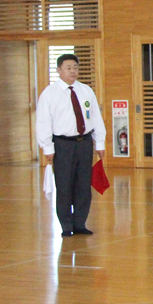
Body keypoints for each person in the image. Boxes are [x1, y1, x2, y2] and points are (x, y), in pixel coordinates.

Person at [36, 54, 106, 237]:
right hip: (62, 145)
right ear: (59, 70)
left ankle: (80, 223)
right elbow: (43, 122)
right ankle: (66, 225)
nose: (73, 71)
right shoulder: (50, 94)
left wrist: (99, 142)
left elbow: (95, 117)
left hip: (84, 144)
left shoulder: (86, 90)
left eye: (75, 67)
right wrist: (47, 147)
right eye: (68, 68)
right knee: (64, 185)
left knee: (83, 184)